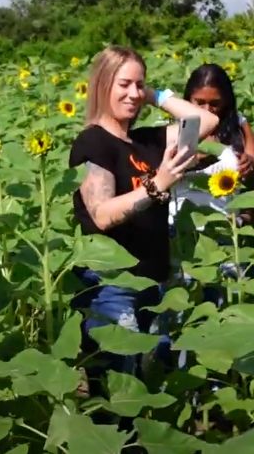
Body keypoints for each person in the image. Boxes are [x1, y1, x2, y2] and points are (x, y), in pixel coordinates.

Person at [69, 46, 218, 379]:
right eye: (123, 84)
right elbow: (101, 214)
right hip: (112, 286)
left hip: (154, 281)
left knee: (147, 383)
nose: (133, 93)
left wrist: (150, 94)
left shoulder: (145, 141)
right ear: (102, 84)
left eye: (140, 84)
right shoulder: (92, 143)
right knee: (118, 385)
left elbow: (204, 121)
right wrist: (157, 184)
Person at [169, 64, 254, 223]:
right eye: (199, 102)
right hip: (180, 226)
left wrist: (249, 162)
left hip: (226, 227)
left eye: (215, 104)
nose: (207, 109)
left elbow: (251, 164)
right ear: (188, 99)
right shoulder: (174, 129)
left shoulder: (237, 125)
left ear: (226, 101)